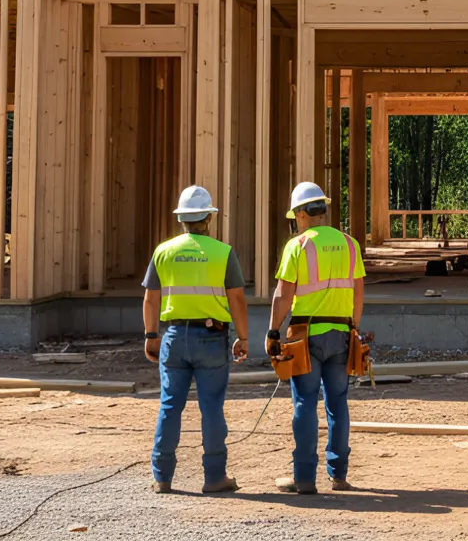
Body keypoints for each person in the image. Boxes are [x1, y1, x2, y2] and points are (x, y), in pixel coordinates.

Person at [142, 185, 249, 495]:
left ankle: (162, 476)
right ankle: (214, 476)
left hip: (174, 337)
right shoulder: (223, 253)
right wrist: (243, 337)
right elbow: (238, 300)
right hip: (211, 339)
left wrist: (151, 336)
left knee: (170, 406)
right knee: (212, 408)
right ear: (208, 218)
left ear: (182, 220)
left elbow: (151, 299)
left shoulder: (164, 251)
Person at [267, 181, 365, 494]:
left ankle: (304, 478)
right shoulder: (350, 244)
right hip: (341, 333)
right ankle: (338, 475)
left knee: (305, 405)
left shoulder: (297, 246)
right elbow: (358, 290)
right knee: (338, 404)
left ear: (300, 213)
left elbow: (283, 294)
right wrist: (353, 326)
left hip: (305, 336)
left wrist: (272, 331)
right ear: (321, 208)